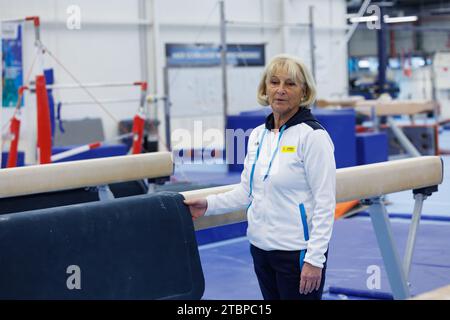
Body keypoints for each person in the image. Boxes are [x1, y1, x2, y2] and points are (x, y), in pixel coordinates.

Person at [184, 53, 336, 300]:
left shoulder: (313, 137)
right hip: (261, 249)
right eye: (274, 82)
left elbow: (325, 203)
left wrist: (315, 259)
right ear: (265, 88)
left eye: (290, 84)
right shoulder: (257, 135)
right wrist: (208, 204)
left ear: (304, 92)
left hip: (296, 252)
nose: (281, 90)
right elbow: (247, 191)